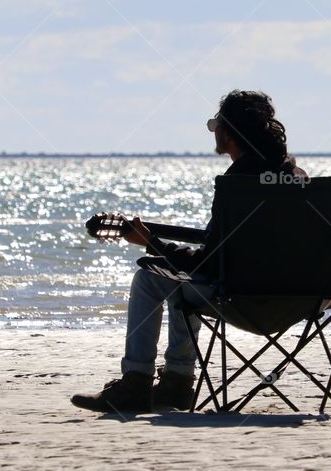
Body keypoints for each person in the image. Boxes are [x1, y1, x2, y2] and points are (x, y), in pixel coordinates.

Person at [72, 90, 307, 413]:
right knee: (183, 274)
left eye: (215, 125)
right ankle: (173, 385)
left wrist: (151, 243)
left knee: (152, 277)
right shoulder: (298, 178)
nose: (214, 131)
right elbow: (232, 249)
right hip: (303, 297)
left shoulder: (236, 187)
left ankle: (141, 383)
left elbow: (210, 261)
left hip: (241, 299)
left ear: (231, 134)